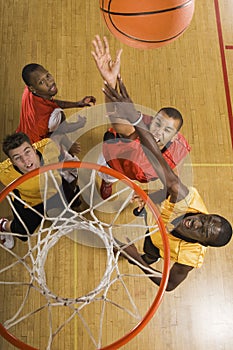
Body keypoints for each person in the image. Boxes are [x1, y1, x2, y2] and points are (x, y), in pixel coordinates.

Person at [102, 76, 232, 291]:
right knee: (151, 219)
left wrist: (136, 259)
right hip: (158, 219)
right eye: (205, 219)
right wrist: (134, 118)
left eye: (203, 231)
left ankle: (141, 256)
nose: (197, 223)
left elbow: (169, 284)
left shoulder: (190, 257)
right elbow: (159, 161)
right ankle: (141, 236)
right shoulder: (187, 199)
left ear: (203, 244)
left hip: (160, 241)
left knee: (149, 254)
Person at [91, 35, 191, 199]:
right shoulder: (137, 128)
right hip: (115, 160)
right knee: (108, 173)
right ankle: (108, 182)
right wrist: (110, 83)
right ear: (152, 121)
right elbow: (117, 120)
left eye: (167, 130)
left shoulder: (176, 149)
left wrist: (157, 194)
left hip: (141, 174)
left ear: (174, 138)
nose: (158, 131)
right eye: (158, 123)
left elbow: (172, 174)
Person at [0, 132, 80, 249]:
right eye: (17, 158)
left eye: (27, 152)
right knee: (23, 232)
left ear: (33, 148)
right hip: (30, 202)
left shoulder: (49, 147)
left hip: (54, 190)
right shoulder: (5, 173)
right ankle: (3, 225)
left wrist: (69, 146)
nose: (26, 161)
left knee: (72, 200)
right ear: (12, 162)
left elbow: (59, 134)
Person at [16, 63, 96, 154]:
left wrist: (77, 104)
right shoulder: (47, 119)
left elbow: (50, 103)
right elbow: (62, 129)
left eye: (47, 76)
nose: (49, 82)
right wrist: (79, 124)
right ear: (32, 88)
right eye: (41, 82)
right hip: (37, 151)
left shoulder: (29, 91)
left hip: (22, 137)